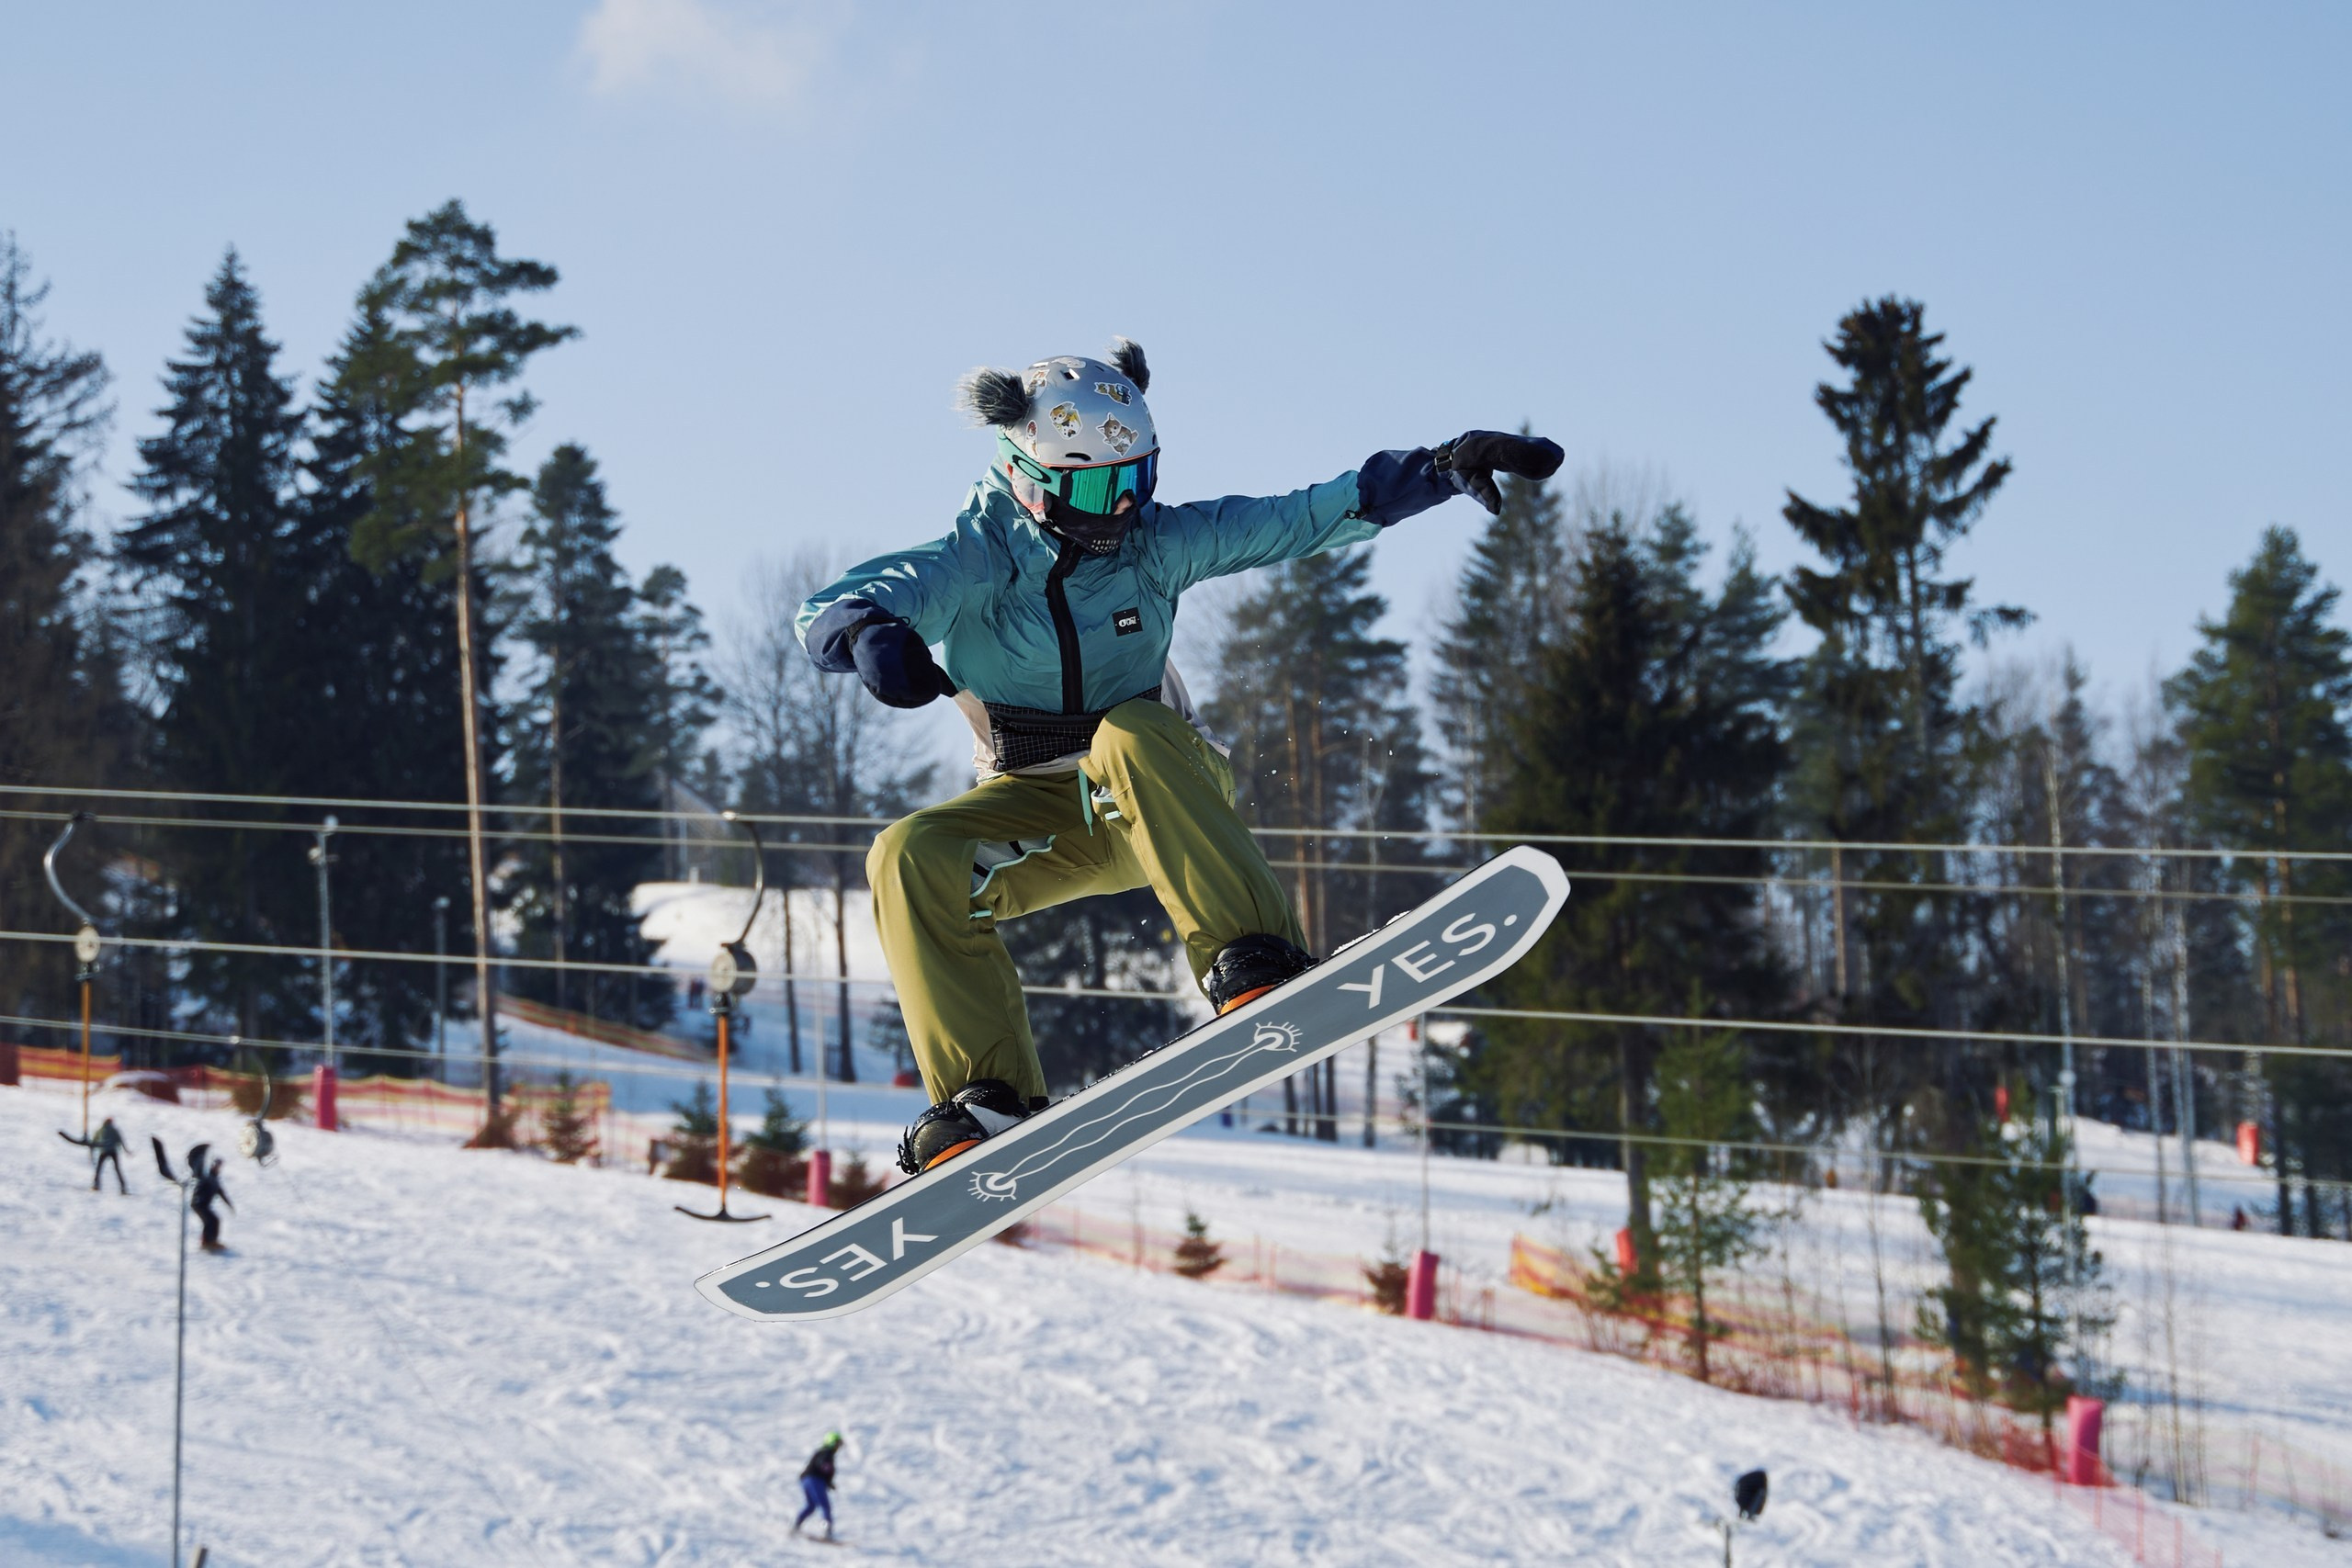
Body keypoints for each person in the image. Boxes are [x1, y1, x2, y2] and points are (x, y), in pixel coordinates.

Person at [797, 340, 1560, 1173]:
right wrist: (867, 635)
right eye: (1100, 489)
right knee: (906, 854)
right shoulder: (976, 558)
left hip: (1164, 789)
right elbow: (839, 604)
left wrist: (1439, 468)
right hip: (1042, 813)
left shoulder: (1156, 544)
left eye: (1138, 480)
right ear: (1030, 479)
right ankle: (989, 1098)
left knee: (1127, 732)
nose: (1123, 508)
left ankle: (1254, 955)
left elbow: (1299, 516)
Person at [791, 1429, 843, 1540]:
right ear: (831, 1442)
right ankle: (827, 1531)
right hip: (815, 1480)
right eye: (837, 1444)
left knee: (811, 1506)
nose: (838, 1447)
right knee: (825, 1505)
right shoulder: (827, 1452)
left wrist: (829, 1482)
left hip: (806, 1480)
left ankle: (796, 1525)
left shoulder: (822, 1452)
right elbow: (823, 1464)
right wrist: (826, 1468)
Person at [70, 1116, 129, 1193]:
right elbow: (120, 1140)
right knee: (117, 1169)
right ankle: (123, 1187)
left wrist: (91, 1149)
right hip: (112, 1151)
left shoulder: (100, 1130)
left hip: (103, 1151)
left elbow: (94, 1140)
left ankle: (96, 1185)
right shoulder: (114, 1130)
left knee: (99, 1169)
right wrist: (126, 1150)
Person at [190, 1150, 232, 1252]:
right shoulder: (207, 1177)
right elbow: (198, 1186)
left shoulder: (214, 1180)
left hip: (204, 1205)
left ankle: (211, 1241)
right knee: (210, 1220)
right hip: (199, 1204)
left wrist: (229, 1205)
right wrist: (197, 1198)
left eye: (219, 1166)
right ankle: (207, 1242)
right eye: (216, 1165)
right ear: (212, 1166)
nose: (218, 1168)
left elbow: (221, 1193)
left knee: (214, 1220)